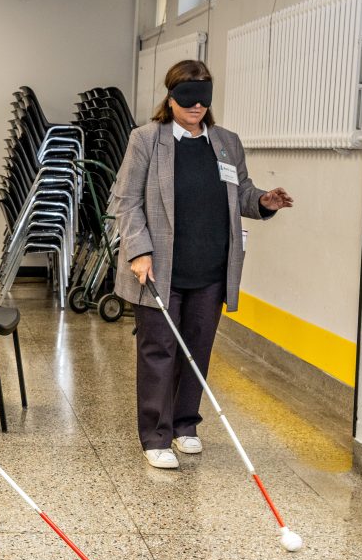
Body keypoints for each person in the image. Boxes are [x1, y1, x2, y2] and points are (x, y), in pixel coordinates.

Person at [113, 60, 294, 470]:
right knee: (158, 349)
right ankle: (155, 433)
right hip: (159, 268)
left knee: (197, 349)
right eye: (187, 98)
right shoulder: (146, 140)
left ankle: (185, 425)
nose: (196, 107)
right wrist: (139, 250)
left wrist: (264, 201)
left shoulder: (226, 141)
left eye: (203, 98)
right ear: (171, 97)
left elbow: (240, 192)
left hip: (210, 267)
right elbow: (126, 200)